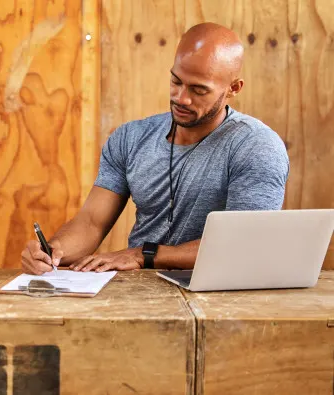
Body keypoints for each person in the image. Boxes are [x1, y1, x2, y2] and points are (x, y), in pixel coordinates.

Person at [21, 22, 289, 274]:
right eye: (176, 82)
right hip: (139, 293)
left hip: (218, 296)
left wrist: (143, 254)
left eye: (198, 90)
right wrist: (53, 250)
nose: (181, 98)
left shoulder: (257, 146)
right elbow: (91, 222)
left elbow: (243, 245)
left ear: (233, 88)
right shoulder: (130, 138)